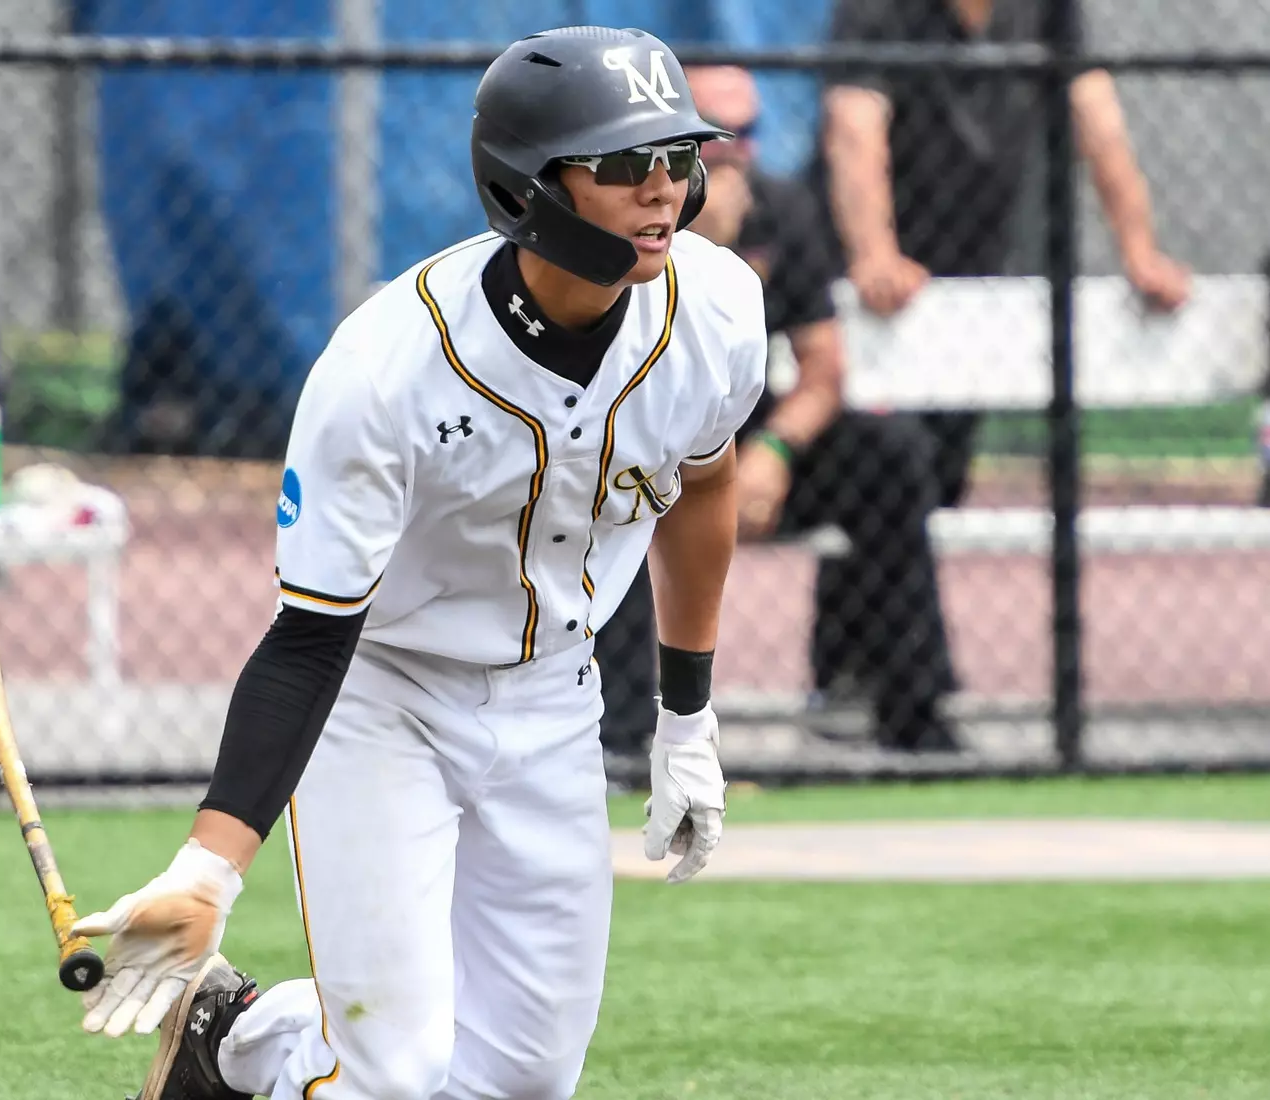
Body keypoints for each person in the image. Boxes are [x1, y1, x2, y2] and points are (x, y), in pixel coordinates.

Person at [70, 26, 766, 1100]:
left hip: (556, 697)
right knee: (391, 1074)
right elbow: (308, 641)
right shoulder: (386, 369)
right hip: (385, 699)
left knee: (523, 1080)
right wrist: (208, 869)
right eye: (625, 162)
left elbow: (705, 489)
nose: (663, 188)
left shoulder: (715, 310)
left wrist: (687, 718)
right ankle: (251, 1036)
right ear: (530, 185)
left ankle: (230, 1029)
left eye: (678, 156)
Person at [596, 65, 959, 755]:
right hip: (645, 442)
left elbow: (824, 370)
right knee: (612, 487)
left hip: (748, 442)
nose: (736, 152)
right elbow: (614, 360)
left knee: (893, 454)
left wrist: (774, 452)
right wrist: (699, 244)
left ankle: (913, 715)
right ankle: (623, 735)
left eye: (749, 131)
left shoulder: (784, 208)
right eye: (715, 136)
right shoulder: (622, 210)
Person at [814, 0, 1191, 510]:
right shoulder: (876, 9)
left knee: (944, 478)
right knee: (881, 478)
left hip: (975, 269)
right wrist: (875, 254)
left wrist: (1140, 251)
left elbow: (1097, 117)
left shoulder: (1047, 10)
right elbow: (854, 129)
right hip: (865, 276)